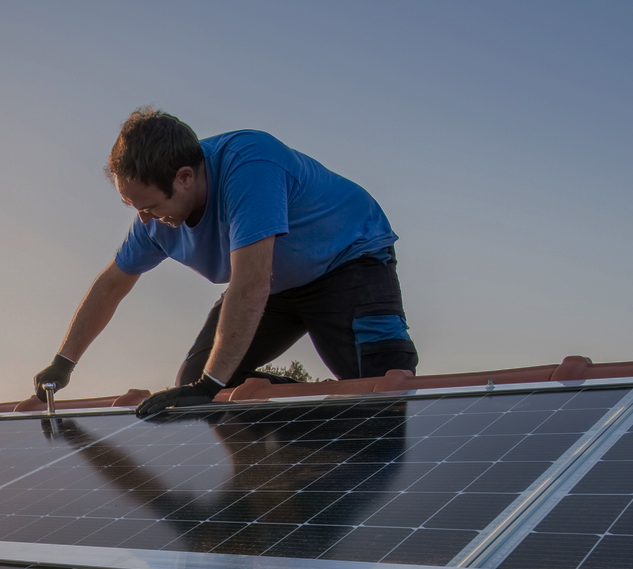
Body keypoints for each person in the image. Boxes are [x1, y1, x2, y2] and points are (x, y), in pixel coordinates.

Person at [34, 108, 417, 419]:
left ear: (185, 177)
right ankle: (313, 441)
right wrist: (63, 363)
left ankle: (351, 413)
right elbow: (113, 283)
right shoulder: (153, 222)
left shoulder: (250, 166)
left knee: (383, 388)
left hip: (346, 262)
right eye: (136, 209)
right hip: (275, 287)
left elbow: (251, 283)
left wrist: (208, 388)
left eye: (150, 206)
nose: (145, 220)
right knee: (196, 381)